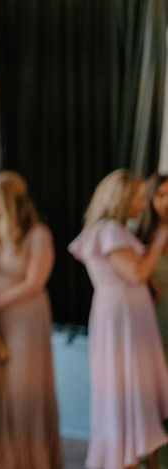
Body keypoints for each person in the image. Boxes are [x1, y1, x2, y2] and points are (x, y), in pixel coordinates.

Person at [0, 171, 62, 468]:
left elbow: (34, 282)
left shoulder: (38, 234)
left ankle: (25, 458)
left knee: (21, 386)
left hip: (25, 317)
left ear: (5, 199)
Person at [69, 169, 168, 469]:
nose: (142, 205)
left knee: (130, 389)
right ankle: (124, 456)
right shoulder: (109, 230)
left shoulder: (111, 230)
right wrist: (161, 237)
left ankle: (135, 452)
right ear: (121, 198)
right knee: (127, 389)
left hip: (123, 314)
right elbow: (137, 272)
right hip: (122, 319)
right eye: (138, 198)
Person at [137, 173, 168, 469]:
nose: (167, 201)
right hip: (151, 328)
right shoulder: (138, 238)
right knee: (153, 402)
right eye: (160, 194)